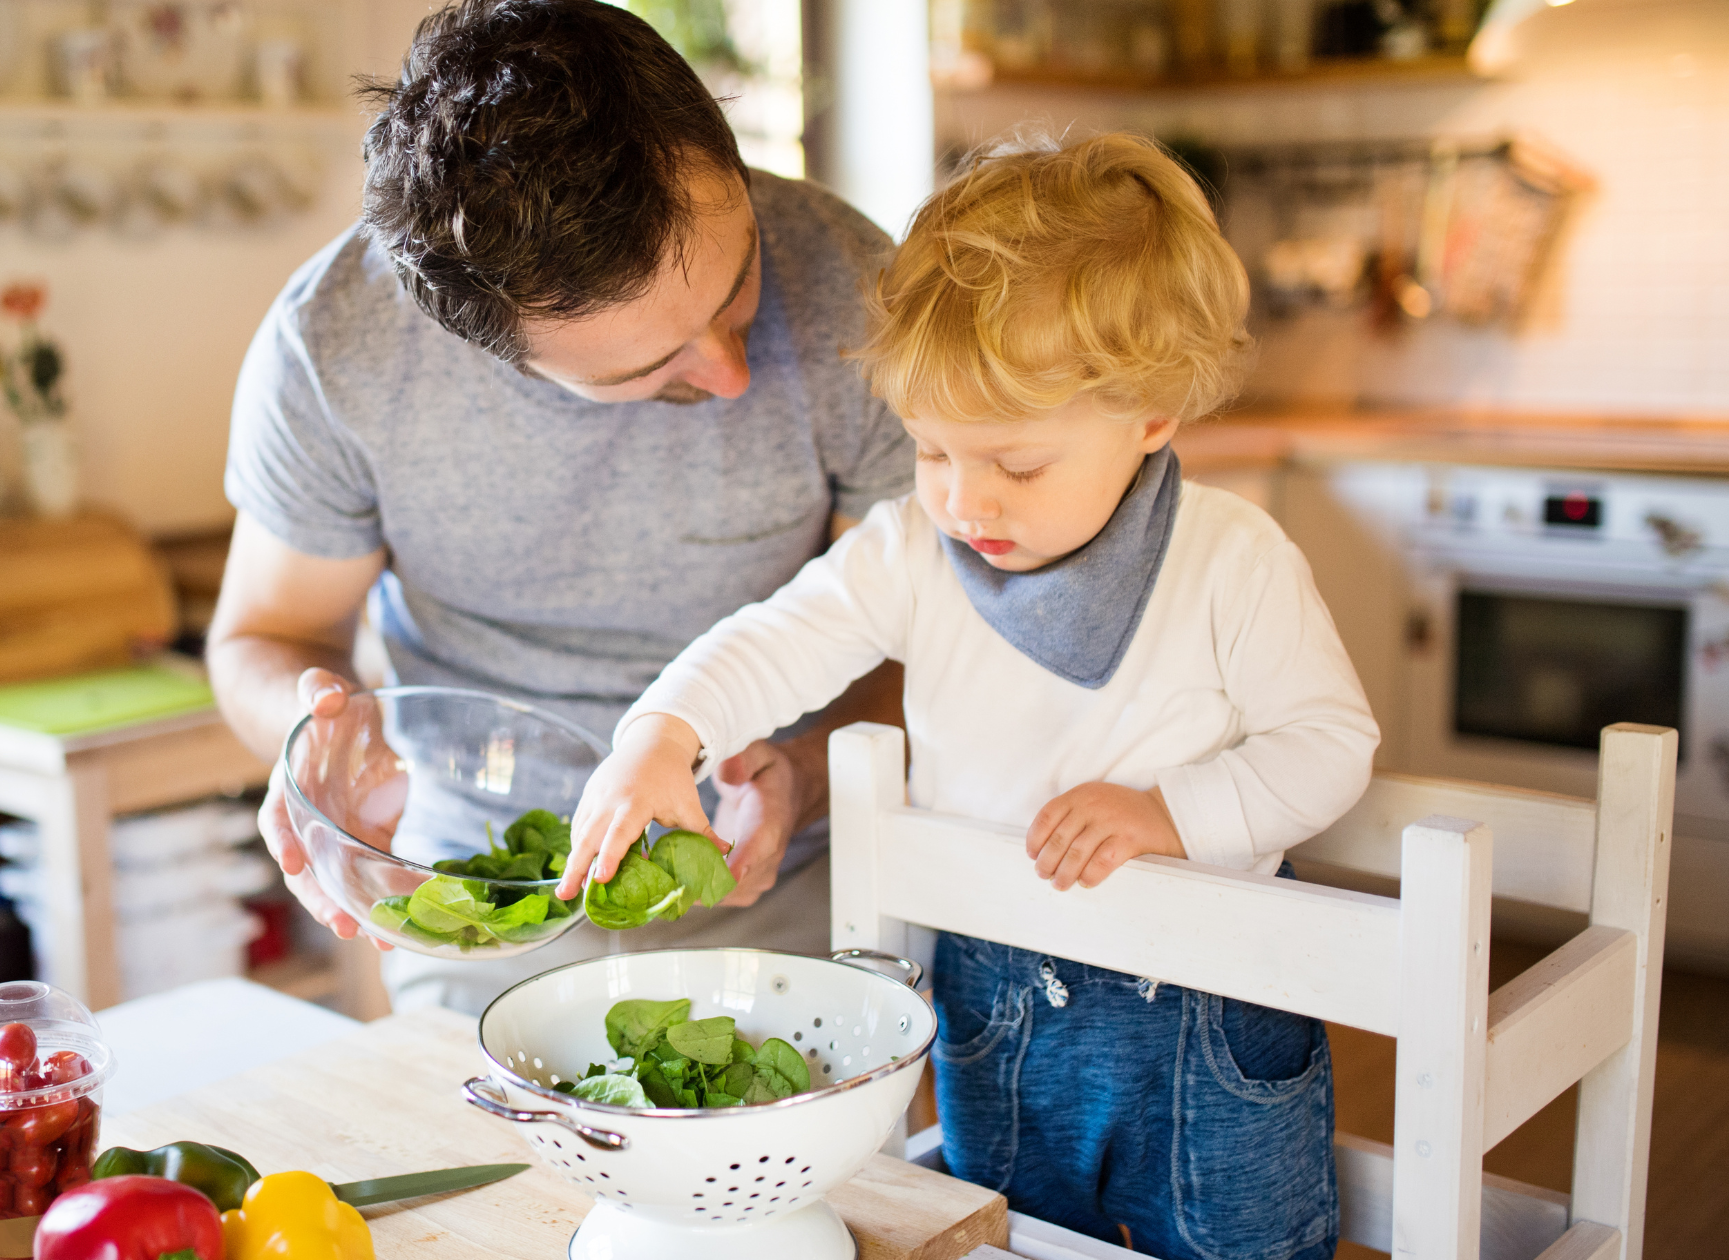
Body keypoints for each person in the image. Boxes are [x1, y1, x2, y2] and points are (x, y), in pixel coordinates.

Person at [562, 132, 1379, 1260]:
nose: (962, 498)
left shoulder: (1231, 559)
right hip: (993, 989)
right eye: (930, 451)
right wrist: (663, 735)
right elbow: (775, 640)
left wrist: (1169, 815)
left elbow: (1329, 745)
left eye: (1015, 463)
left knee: (1239, 1240)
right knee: (1003, 1236)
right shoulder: (910, 549)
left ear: (1149, 416)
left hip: (1205, 1001)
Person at [205, 0, 911, 1015]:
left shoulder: (856, 287)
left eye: (738, 283)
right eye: (652, 364)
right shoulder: (335, 347)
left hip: (797, 896)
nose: (727, 374)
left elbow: (925, 632)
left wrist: (802, 770)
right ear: (489, 348)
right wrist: (312, 735)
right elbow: (266, 635)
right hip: (479, 906)